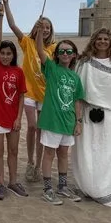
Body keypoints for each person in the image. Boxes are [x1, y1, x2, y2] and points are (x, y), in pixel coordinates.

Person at [1, 0, 56, 183]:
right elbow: (12, 25)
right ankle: (30, 161)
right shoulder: (27, 43)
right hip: (29, 92)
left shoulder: (54, 49)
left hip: (46, 94)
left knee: (42, 129)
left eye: (48, 28)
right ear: (36, 28)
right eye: (43, 27)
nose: (45, 30)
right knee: (32, 126)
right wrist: (7, 3)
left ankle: (38, 166)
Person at [72, 28, 111, 207]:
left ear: (110, 42)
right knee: (88, 152)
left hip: (110, 114)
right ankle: (88, 188)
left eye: (106, 39)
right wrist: (78, 117)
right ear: (93, 41)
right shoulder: (84, 62)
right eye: (99, 39)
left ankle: (106, 190)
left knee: (108, 153)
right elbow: (77, 89)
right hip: (88, 114)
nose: (102, 41)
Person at [35, 21, 85, 205]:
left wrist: (78, 121)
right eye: (62, 51)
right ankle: (48, 189)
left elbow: (78, 100)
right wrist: (40, 32)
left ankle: (62, 186)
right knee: (49, 154)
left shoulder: (75, 77)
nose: (65, 54)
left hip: (68, 121)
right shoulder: (52, 69)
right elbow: (40, 51)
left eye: (69, 51)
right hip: (52, 120)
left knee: (64, 154)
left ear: (74, 55)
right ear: (56, 55)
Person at [0, 2, 28, 200]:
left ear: (13, 55)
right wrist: (1, 17)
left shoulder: (18, 72)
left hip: (13, 119)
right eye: (2, 53)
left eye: (8, 53)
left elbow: (21, 95)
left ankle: (13, 182)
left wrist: (19, 117)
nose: (4, 56)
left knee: (13, 151)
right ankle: (1, 184)